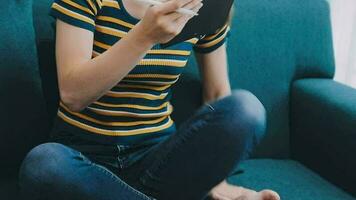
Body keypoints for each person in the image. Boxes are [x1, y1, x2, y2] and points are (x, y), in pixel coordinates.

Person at [19, 0, 280, 199]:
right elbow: (73, 95)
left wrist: (216, 181)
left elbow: (217, 96)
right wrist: (144, 36)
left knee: (246, 109)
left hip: (157, 159)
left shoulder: (202, 5)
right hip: (83, 158)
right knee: (43, 165)